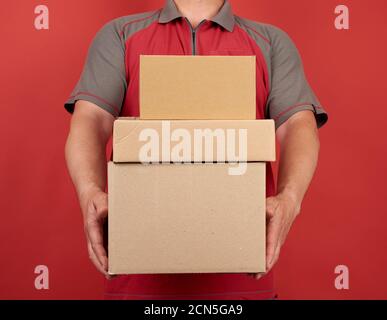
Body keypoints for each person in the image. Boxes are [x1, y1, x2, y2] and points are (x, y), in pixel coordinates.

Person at [64, 0, 328, 300]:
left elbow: (298, 126)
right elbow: (90, 119)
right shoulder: (120, 36)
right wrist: (89, 192)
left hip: (240, 284)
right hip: (138, 282)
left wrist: (290, 199)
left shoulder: (271, 43)